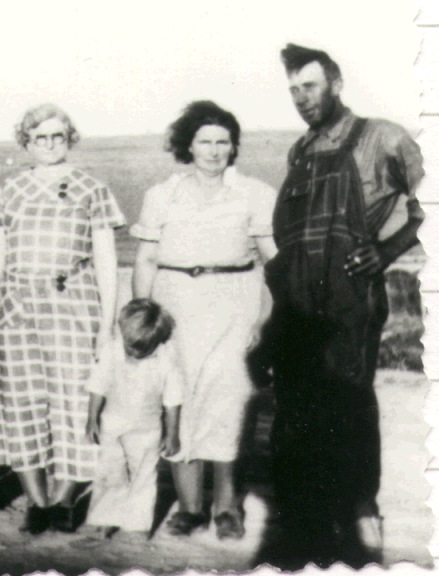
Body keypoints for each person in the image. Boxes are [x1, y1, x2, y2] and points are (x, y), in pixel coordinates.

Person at [261, 43, 424, 563]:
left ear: (335, 84)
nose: (301, 98)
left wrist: (387, 250)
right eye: (293, 90)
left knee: (349, 402)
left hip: (349, 295)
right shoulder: (300, 151)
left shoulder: (382, 137)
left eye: (309, 86)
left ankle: (361, 514)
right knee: (299, 406)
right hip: (297, 299)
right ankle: (308, 524)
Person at [130, 101, 278, 540]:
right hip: (175, 306)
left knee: (230, 403)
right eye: (205, 142)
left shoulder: (253, 193)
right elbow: (146, 260)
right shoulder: (162, 195)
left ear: (233, 147)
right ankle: (190, 506)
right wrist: (142, 316)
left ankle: (227, 507)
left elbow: (274, 264)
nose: (214, 151)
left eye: (222, 142)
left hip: (235, 303)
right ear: (188, 146)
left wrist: (264, 320)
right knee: (179, 401)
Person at [0, 103, 125, 535]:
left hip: (73, 304)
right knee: (20, 400)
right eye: (39, 137)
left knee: (76, 401)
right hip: (15, 307)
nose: (48, 144)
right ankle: (37, 500)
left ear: (69, 139)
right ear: (26, 142)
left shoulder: (91, 189)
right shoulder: (9, 190)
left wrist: (106, 326)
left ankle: (63, 499)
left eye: (56, 136)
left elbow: (106, 261)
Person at [81, 298, 182, 541]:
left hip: (148, 427)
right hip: (112, 422)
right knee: (110, 470)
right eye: (130, 346)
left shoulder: (166, 358)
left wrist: (172, 434)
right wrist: (91, 418)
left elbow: (173, 399)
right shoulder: (112, 350)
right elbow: (98, 386)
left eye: (142, 348)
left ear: (156, 340)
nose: (135, 353)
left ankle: (137, 525)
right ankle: (106, 519)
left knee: (144, 475)